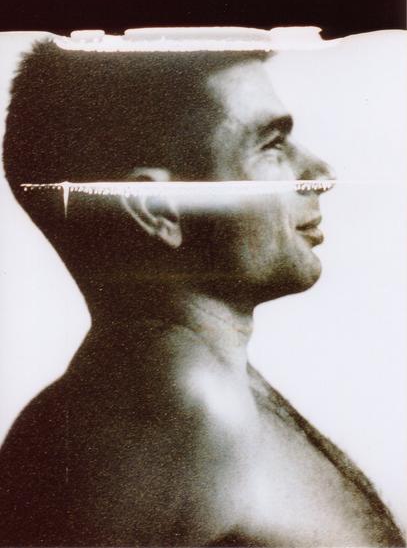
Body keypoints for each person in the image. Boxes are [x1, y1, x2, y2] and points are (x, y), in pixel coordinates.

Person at [0, 40, 404, 547]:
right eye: (272, 144)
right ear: (157, 207)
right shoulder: (180, 403)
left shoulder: (177, 388)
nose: (321, 175)